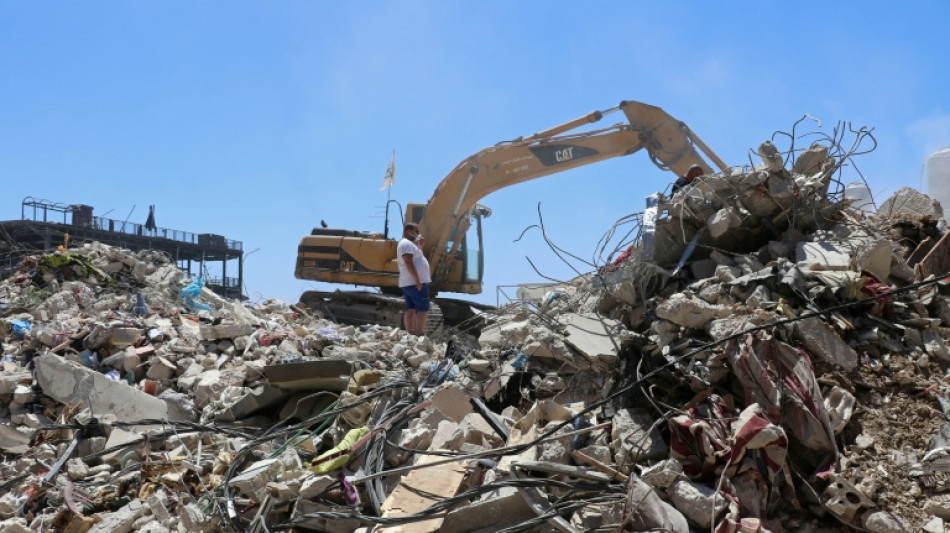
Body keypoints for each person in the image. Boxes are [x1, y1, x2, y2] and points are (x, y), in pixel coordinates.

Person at [396, 223, 432, 335]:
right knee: (422, 308)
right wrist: (417, 279)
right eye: (416, 231)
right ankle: (420, 332)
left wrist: (420, 246)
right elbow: (408, 261)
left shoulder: (409, 244)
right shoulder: (406, 244)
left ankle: (410, 333)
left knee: (411, 309)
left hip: (408, 282)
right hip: (414, 283)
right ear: (408, 231)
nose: (418, 233)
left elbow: (416, 259)